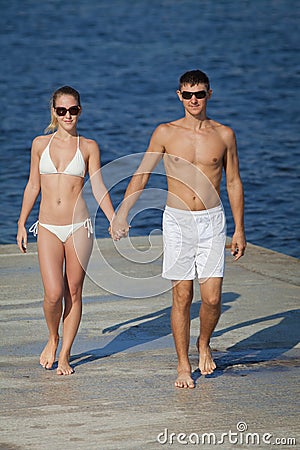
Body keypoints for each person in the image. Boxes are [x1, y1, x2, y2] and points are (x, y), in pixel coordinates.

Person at [111, 70, 246, 388]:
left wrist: (239, 229)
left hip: (213, 219)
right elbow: (143, 173)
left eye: (200, 94)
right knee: (182, 296)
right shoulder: (165, 133)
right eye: (188, 95)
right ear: (179, 96)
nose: (194, 100)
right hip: (177, 221)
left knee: (212, 299)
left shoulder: (224, 134)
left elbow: (233, 181)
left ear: (210, 94)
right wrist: (122, 212)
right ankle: (183, 365)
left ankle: (204, 343)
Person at [17, 86, 115, 375]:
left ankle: (65, 355)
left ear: (80, 111)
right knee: (53, 293)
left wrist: (113, 218)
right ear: (54, 112)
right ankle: (53, 336)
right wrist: (22, 223)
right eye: (62, 111)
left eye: (73, 110)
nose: (68, 115)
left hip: (79, 226)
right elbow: (33, 185)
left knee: (73, 290)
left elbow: (97, 186)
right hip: (47, 226)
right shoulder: (39, 144)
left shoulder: (88, 147)